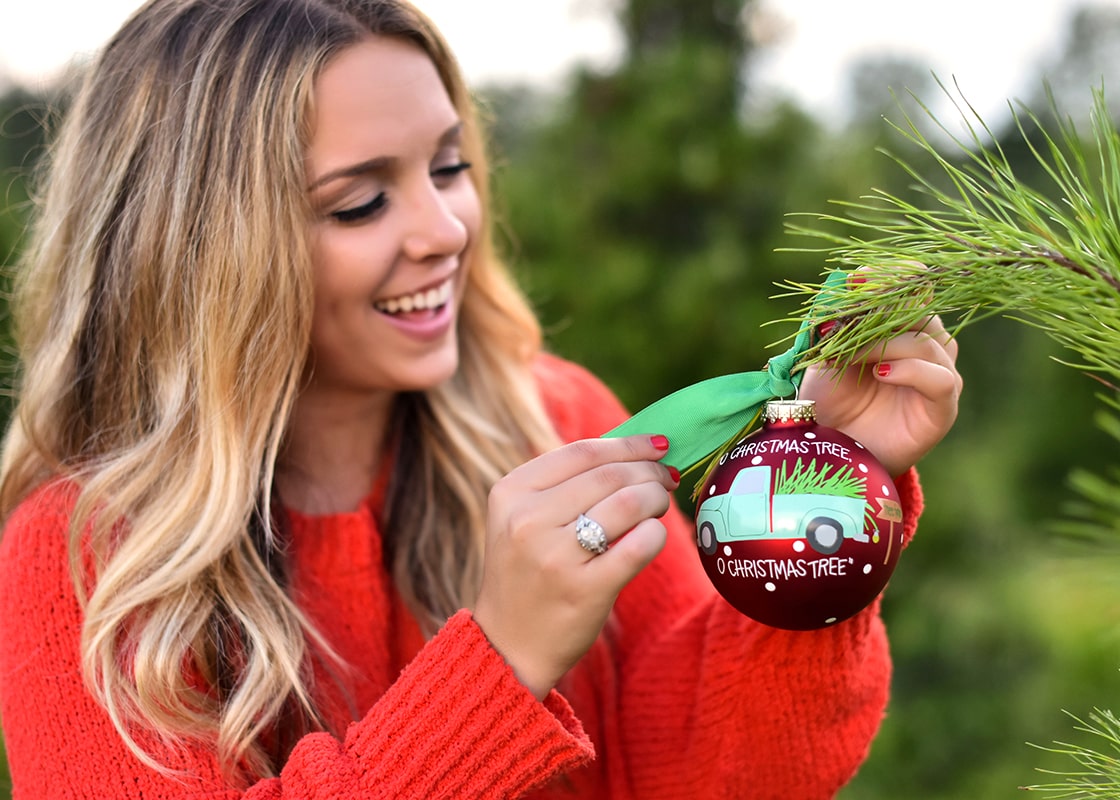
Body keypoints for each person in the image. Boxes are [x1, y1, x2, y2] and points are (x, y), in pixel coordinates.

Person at [0, 0, 963, 797]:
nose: (444, 228)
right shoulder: (84, 565)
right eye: (359, 202)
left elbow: (713, 770)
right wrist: (499, 664)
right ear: (199, 251)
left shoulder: (558, 421)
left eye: (449, 166)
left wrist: (829, 482)